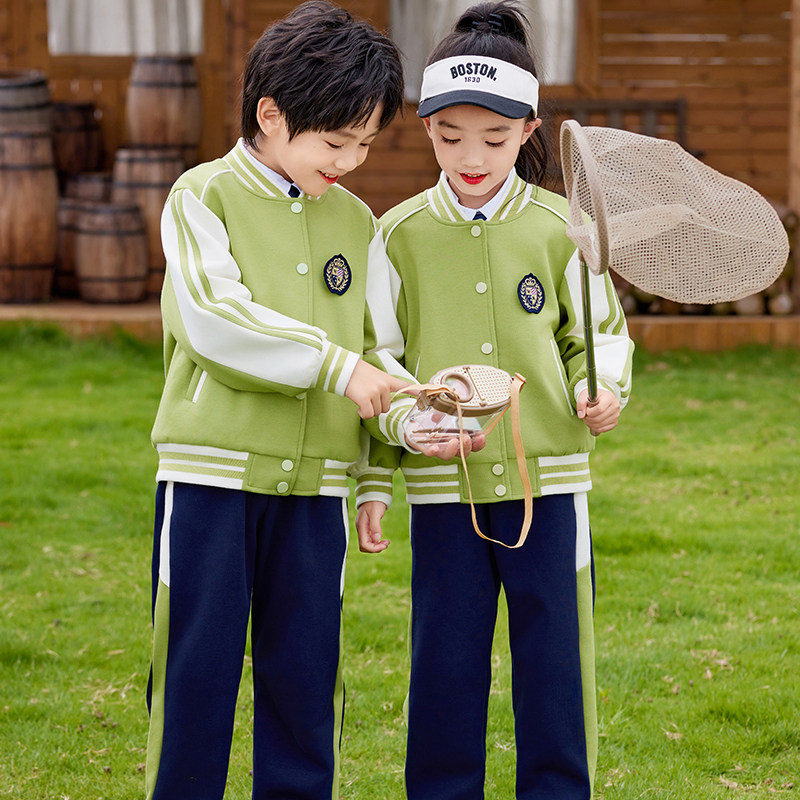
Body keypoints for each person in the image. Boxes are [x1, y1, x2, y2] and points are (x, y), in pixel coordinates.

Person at [354, 2, 635, 798]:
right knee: (444, 662)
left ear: (530, 126)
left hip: (552, 488)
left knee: (556, 663)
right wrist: (399, 444)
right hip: (447, 489)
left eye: (494, 137)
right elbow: (381, 358)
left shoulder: (563, 229)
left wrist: (604, 388)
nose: (470, 156)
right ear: (425, 127)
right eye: (449, 138)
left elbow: (598, 335)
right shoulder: (396, 235)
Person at [143, 3, 413, 798]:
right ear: (271, 114)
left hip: (319, 487)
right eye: (337, 143)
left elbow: (377, 355)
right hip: (209, 481)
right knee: (195, 674)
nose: (354, 162)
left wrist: (377, 466)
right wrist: (340, 369)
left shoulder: (358, 223)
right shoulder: (201, 198)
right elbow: (214, 320)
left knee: (305, 681)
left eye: (366, 144)